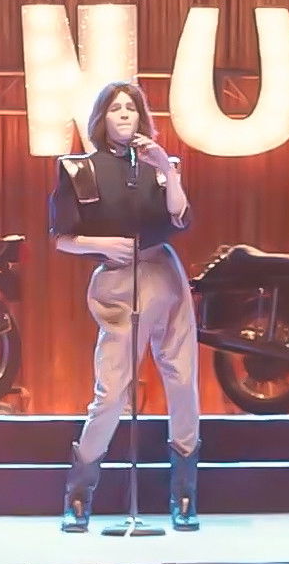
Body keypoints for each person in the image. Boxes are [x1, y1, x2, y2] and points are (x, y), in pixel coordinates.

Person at [50, 82, 198, 533]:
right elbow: (61, 238)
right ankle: (79, 492)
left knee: (183, 379)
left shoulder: (158, 165)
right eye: (115, 108)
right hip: (117, 280)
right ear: (102, 117)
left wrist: (167, 170)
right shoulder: (80, 169)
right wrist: (100, 244)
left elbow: (180, 218)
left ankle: (185, 493)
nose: (124, 114)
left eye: (131, 108)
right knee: (112, 391)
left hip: (164, 272)